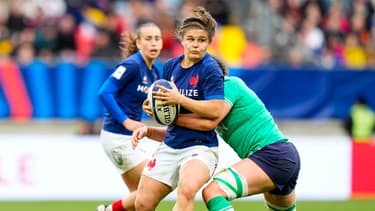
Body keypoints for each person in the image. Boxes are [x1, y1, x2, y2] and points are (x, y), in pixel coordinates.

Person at [133, 57, 301, 211]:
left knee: (213, 192)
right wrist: (149, 131)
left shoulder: (228, 85)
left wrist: (165, 116)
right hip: (282, 157)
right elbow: (189, 132)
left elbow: (209, 123)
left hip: (271, 155)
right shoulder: (210, 103)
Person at [133, 6, 225, 211]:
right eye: (191, 39)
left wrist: (179, 98)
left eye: (202, 40)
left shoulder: (210, 69)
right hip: (171, 144)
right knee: (142, 203)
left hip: (200, 148)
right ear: (182, 40)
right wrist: (152, 104)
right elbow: (165, 103)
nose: (196, 45)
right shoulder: (170, 66)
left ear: (209, 43)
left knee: (186, 190)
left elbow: (215, 110)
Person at [96, 22, 163, 211]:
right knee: (154, 186)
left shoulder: (154, 72)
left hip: (129, 139)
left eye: (157, 39)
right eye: (148, 39)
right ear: (139, 43)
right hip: (117, 137)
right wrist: (125, 121)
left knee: (141, 199)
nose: (153, 43)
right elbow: (104, 92)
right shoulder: (132, 64)